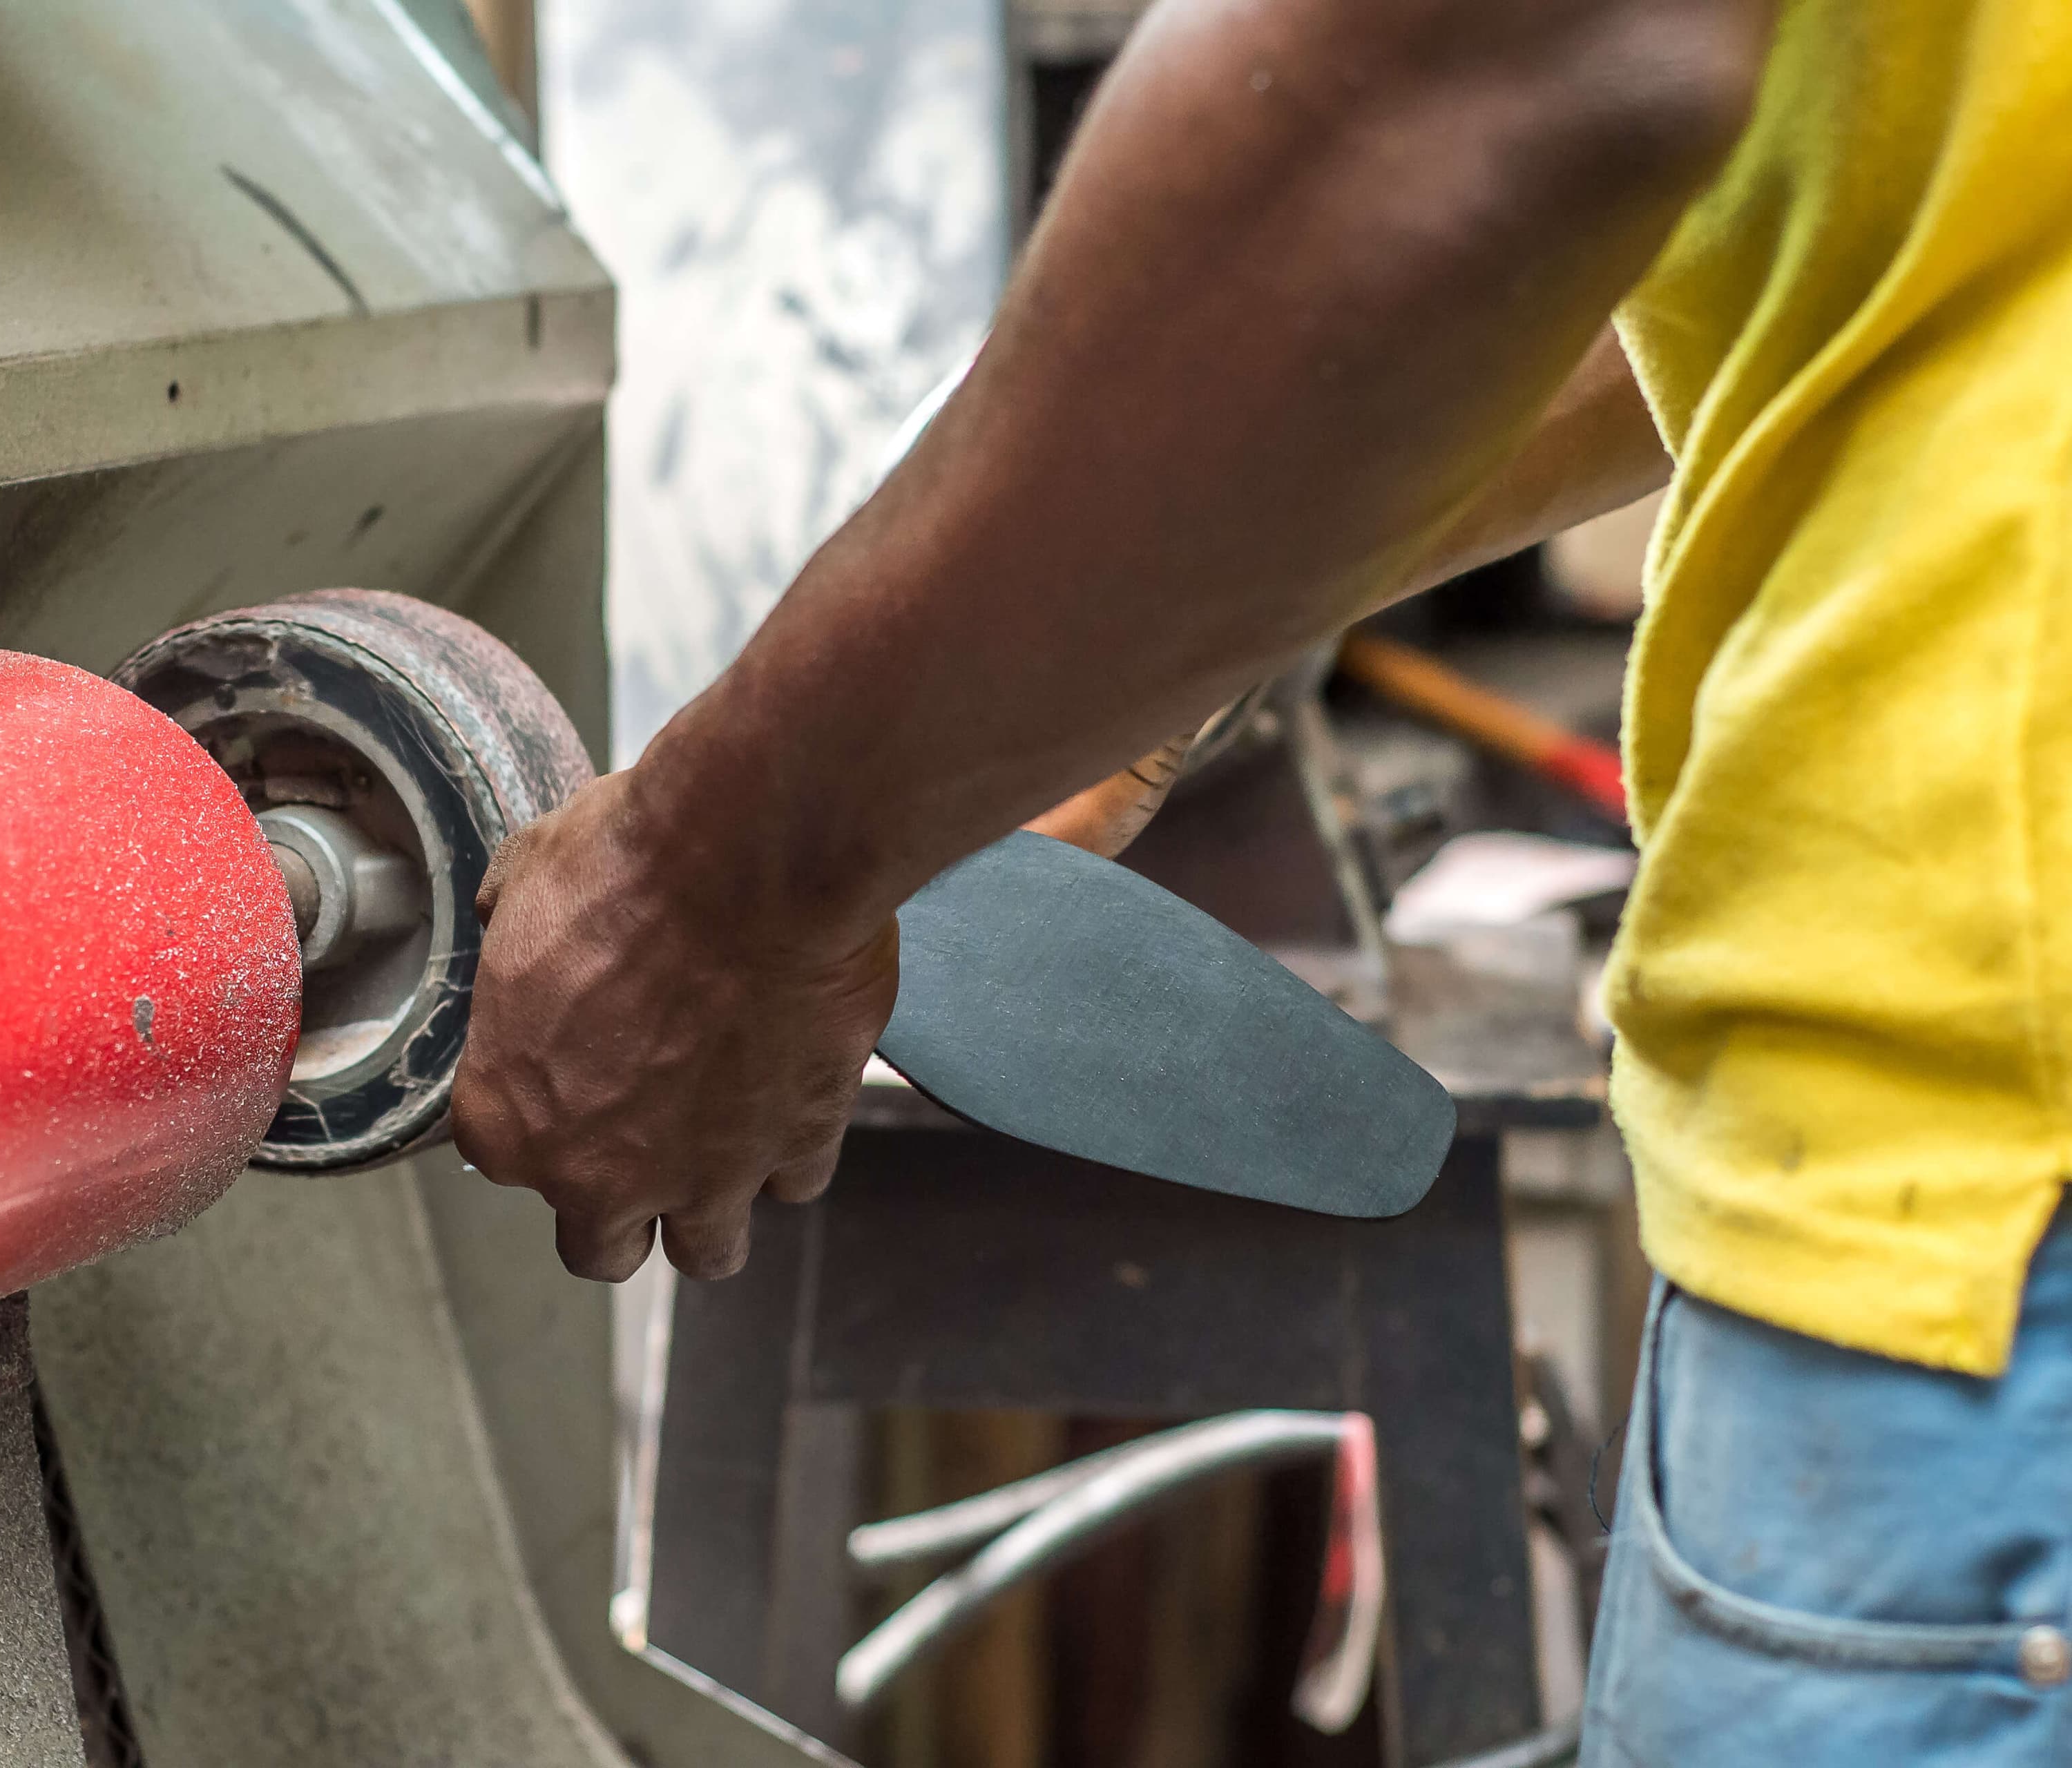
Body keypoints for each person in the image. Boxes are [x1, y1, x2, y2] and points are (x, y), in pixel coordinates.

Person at [450, 0, 2072, 1759]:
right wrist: (1170, 615)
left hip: (1995, 1253)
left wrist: (703, 885)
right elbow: (1806, 241)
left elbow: (1474, 71)